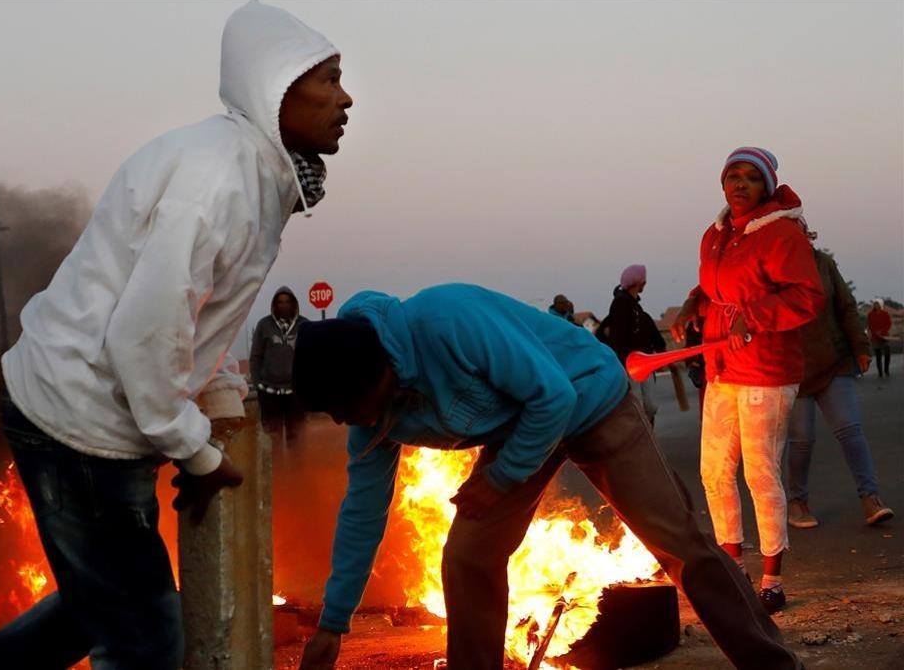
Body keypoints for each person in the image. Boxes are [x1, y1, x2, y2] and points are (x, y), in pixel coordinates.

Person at [0, 1, 352, 669]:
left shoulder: (255, 175)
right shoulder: (218, 180)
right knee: (145, 640)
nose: (347, 97)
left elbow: (205, 314)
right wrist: (194, 448)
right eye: (328, 78)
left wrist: (217, 401)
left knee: (97, 605)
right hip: (77, 420)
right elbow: (145, 333)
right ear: (276, 87)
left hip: (96, 414)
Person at [294, 284, 801, 670]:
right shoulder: (372, 419)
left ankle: (773, 665)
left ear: (378, 372)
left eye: (346, 407)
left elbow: (553, 396)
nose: (347, 422)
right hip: (518, 429)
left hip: (590, 398)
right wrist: (333, 626)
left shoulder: (446, 322)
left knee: (679, 543)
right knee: (469, 555)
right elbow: (361, 515)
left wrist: (500, 478)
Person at [672, 147, 824, 614]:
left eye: (750, 178)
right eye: (732, 176)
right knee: (714, 471)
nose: (739, 184)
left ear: (767, 186)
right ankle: (733, 569)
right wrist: (692, 305)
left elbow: (807, 296)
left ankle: (772, 580)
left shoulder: (782, 234)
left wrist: (755, 317)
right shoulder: (715, 235)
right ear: (722, 185)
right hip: (721, 366)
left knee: (759, 472)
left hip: (766, 370)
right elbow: (714, 287)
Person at [787, 247, 894, 528]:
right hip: (794, 368)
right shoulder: (771, 267)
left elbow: (846, 306)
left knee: (850, 429)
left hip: (833, 359)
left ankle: (870, 498)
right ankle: (797, 502)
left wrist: (861, 347)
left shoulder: (823, 263)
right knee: (801, 440)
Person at [597, 264, 666, 424]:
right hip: (630, 365)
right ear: (637, 281)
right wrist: (623, 364)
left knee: (648, 407)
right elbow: (617, 337)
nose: (645, 283)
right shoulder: (621, 304)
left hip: (643, 365)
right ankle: (641, 442)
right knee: (638, 408)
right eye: (643, 279)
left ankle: (646, 439)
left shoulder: (637, 308)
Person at [250, 287, 309, 448]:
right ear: (275, 305)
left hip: (296, 391)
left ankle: (297, 470)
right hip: (269, 391)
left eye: (287, 301)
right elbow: (255, 357)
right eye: (280, 302)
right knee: (272, 437)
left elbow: (312, 356)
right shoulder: (264, 325)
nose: (284, 305)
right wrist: (257, 384)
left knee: (297, 437)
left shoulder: (304, 325)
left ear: (294, 304)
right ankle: (277, 471)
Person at [868, 299, 893, 377]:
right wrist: (875, 332)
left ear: (881, 305)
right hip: (875, 337)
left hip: (884, 336)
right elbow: (870, 325)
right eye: (875, 304)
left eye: (877, 304)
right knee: (878, 355)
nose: (876, 306)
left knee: (887, 352)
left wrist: (882, 331)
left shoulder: (885, 314)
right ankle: (880, 372)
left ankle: (886, 369)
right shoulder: (870, 314)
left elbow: (888, 324)